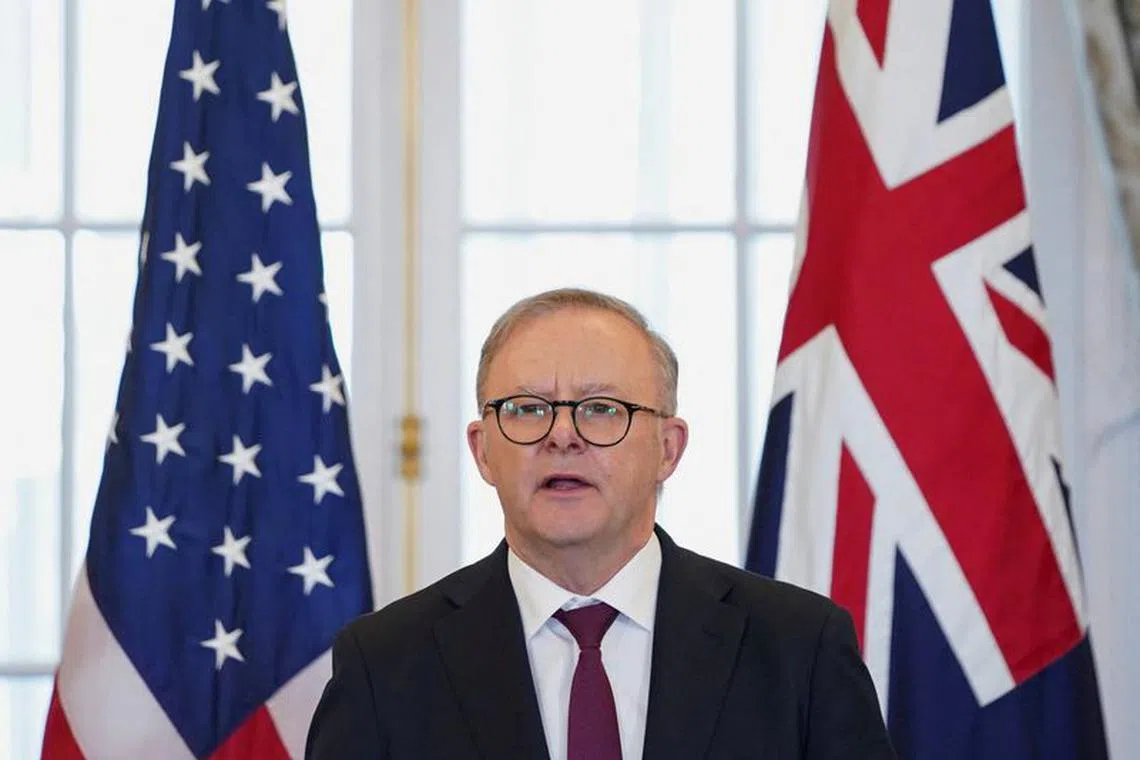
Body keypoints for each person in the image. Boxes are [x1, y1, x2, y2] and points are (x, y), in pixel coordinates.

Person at [305, 287, 896, 760]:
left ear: (668, 448)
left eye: (602, 409)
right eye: (528, 409)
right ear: (483, 451)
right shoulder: (384, 665)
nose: (563, 435)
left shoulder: (799, 649)